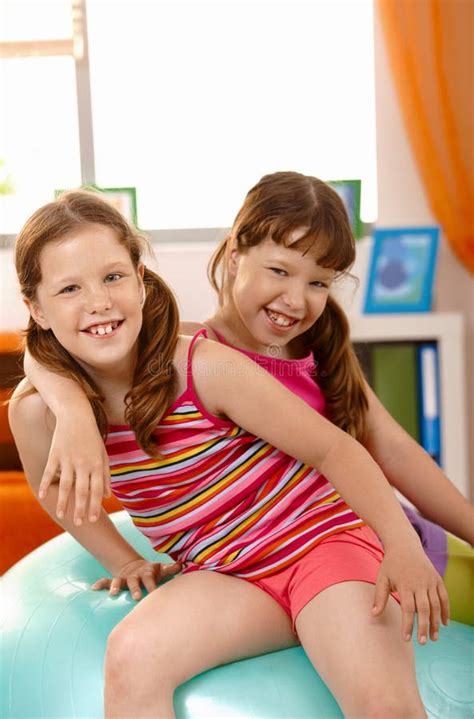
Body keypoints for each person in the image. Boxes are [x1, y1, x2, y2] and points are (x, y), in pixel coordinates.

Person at [10, 188, 449, 719]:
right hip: (227, 576)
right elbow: (53, 490)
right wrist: (122, 559)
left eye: (113, 277)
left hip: (322, 545)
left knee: (383, 705)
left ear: (141, 281)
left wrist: (402, 545)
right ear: (35, 307)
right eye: (69, 288)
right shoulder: (38, 413)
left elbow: (336, 449)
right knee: (131, 655)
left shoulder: (200, 365)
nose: (99, 301)